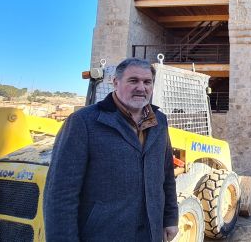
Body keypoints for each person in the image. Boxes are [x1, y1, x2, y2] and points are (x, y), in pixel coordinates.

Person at [43, 58, 179, 242]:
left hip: (150, 234)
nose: (141, 87)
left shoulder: (159, 121)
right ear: (115, 82)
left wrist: (170, 218)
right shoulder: (83, 122)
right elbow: (60, 194)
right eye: (133, 80)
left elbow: (166, 175)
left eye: (147, 82)